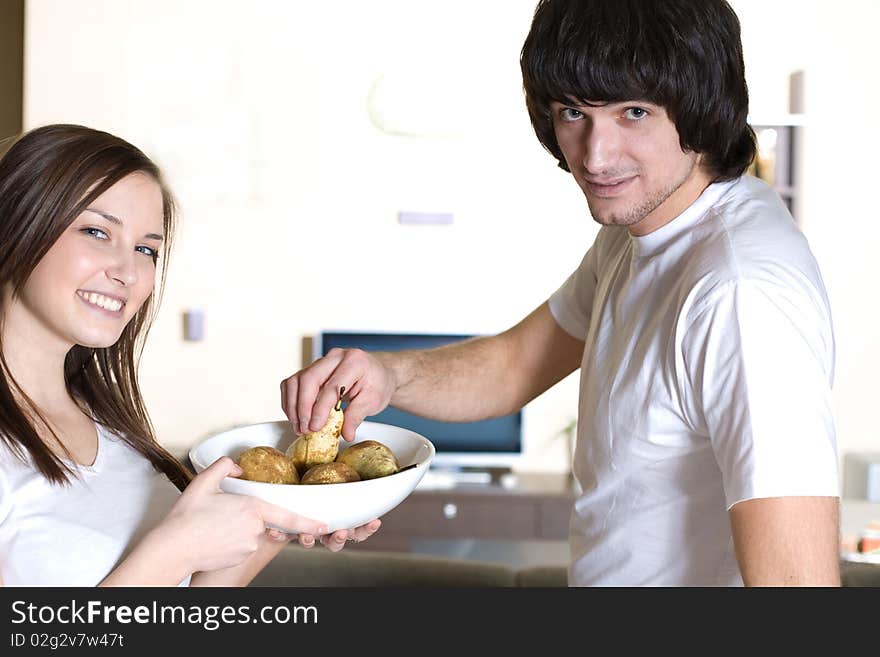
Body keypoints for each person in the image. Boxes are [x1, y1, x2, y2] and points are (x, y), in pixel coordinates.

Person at [281, 0, 840, 586]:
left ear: (702, 105)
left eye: (633, 112)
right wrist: (389, 376)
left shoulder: (739, 292)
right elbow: (515, 365)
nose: (595, 157)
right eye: (574, 111)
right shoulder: (643, 230)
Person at [0, 124, 379, 586]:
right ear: (15, 225)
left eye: (145, 249)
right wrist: (175, 551)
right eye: (97, 231)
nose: (129, 271)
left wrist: (287, 510)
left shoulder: (113, 432)